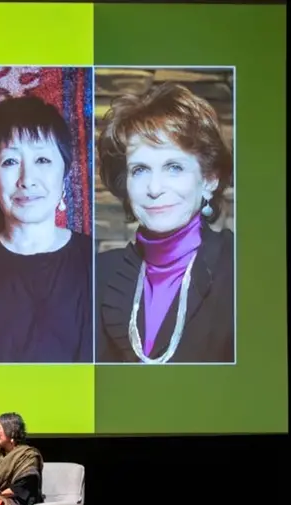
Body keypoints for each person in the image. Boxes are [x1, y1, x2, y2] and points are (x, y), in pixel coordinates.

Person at [96, 81, 234, 363]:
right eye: (140, 169)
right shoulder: (99, 274)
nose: (154, 188)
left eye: (174, 167)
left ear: (209, 179)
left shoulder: (241, 270)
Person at [0, 95, 93, 364]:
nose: (27, 180)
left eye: (42, 160)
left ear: (65, 175)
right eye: (9, 162)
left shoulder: (98, 265)